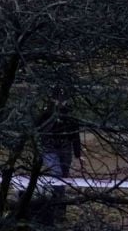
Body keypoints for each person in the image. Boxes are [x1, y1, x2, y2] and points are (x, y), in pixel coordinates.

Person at [33, 89, 83, 226]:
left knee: (62, 178)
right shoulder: (45, 115)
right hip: (49, 148)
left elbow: (75, 135)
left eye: (63, 99)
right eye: (57, 99)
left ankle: (60, 209)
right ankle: (57, 209)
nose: (60, 102)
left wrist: (78, 154)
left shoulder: (70, 117)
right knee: (57, 175)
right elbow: (37, 131)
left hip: (65, 148)